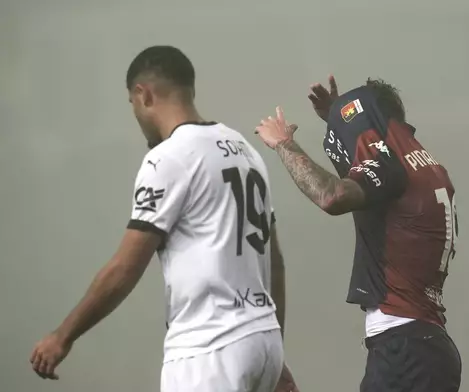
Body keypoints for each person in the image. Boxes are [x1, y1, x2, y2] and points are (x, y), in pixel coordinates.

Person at [29, 45, 298, 392]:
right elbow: (274, 262)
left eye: (131, 105)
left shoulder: (169, 158)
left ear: (143, 95)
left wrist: (62, 336)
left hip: (208, 350)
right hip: (263, 340)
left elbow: (125, 267)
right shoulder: (244, 149)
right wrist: (271, 346)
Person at [255, 76, 462, 392]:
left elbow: (332, 195)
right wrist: (338, 122)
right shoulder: (421, 162)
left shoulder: (388, 164)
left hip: (403, 345)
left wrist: (284, 143)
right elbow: (369, 187)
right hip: (424, 344)